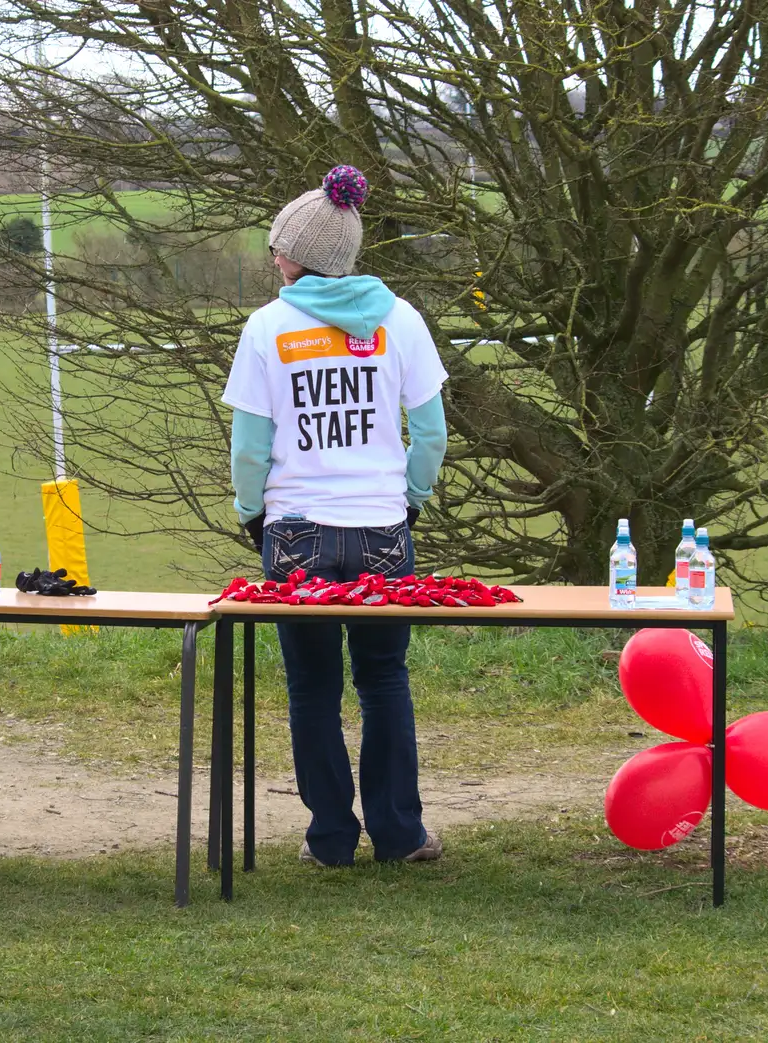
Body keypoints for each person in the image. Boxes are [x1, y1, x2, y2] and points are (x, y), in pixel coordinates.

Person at [221, 165, 450, 866]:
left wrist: (252, 514)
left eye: (277, 247)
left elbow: (250, 446)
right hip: (383, 527)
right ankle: (400, 833)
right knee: (384, 678)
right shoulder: (401, 320)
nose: (273, 257)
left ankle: (329, 839)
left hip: (296, 531)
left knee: (312, 684)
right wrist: (408, 500)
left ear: (302, 257)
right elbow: (432, 434)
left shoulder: (267, 328)